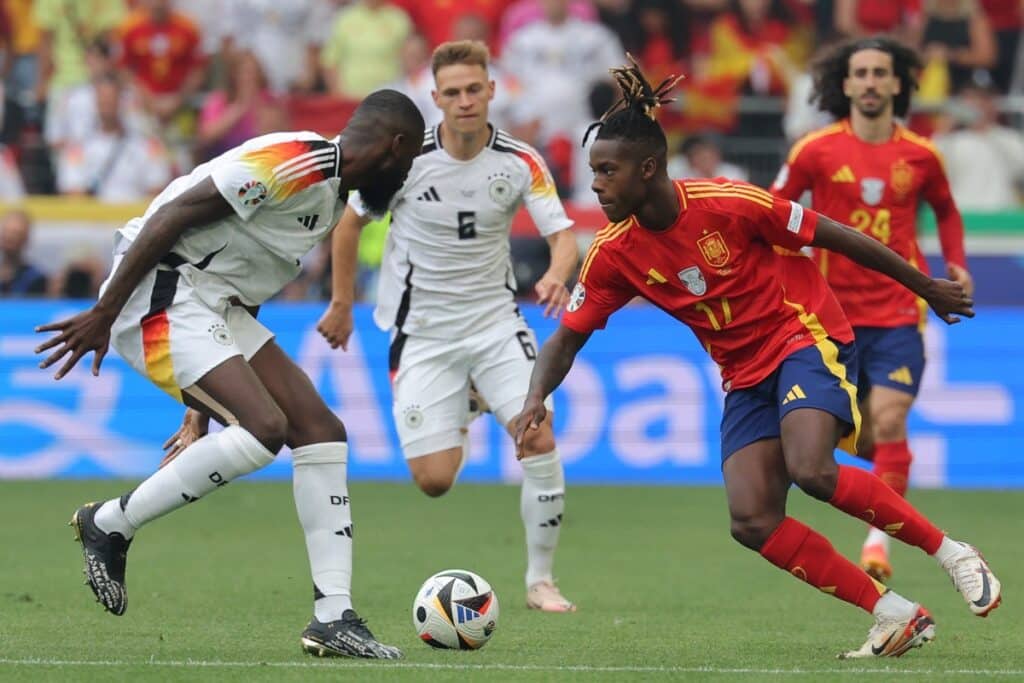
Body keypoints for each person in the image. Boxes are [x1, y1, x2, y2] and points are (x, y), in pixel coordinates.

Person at [514, 59, 1000, 658]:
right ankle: (891, 613)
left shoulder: (731, 204)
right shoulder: (614, 253)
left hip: (804, 334)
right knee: (751, 520)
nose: (596, 184)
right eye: (593, 172)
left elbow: (836, 235)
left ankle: (952, 552)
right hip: (743, 375)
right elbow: (567, 336)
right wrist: (536, 398)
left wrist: (924, 285)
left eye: (607, 171)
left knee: (812, 469)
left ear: (649, 168)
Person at [33, 89, 425, 659]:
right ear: (395, 147)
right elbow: (174, 215)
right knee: (265, 428)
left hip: (214, 303)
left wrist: (199, 411)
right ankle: (111, 522)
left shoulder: (331, 196)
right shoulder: (299, 160)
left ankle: (333, 618)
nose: (407, 173)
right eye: (410, 161)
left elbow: (248, 283)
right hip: (158, 290)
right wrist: (106, 310)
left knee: (319, 430)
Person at [316, 40, 580, 613]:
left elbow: (563, 237)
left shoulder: (520, 161)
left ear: (491, 90)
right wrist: (341, 305)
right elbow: (345, 227)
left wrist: (559, 275)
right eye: (452, 92)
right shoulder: (404, 161)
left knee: (537, 435)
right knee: (434, 481)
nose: (464, 101)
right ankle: (466, 402)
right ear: (435, 98)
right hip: (424, 336)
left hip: (495, 325)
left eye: (473, 89)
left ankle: (541, 580)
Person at [770, 37, 972, 584]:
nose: (870, 82)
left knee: (889, 417)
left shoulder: (921, 155)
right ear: (845, 83)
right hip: (831, 317)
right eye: (860, 73)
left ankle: (877, 540)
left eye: (881, 73)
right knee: (862, 437)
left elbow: (947, 212)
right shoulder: (814, 150)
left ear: (899, 83)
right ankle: (886, 480)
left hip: (900, 313)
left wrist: (955, 263)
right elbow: (775, 209)